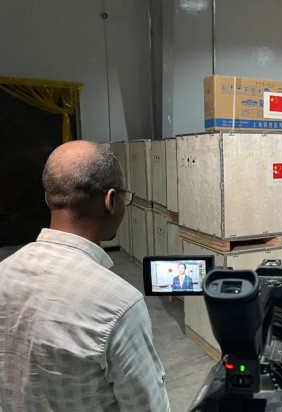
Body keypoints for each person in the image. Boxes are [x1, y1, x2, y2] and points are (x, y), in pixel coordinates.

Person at [0, 141, 171, 411]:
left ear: (48, 198)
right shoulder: (119, 305)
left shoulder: (4, 273)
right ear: (110, 200)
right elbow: (147, 407)